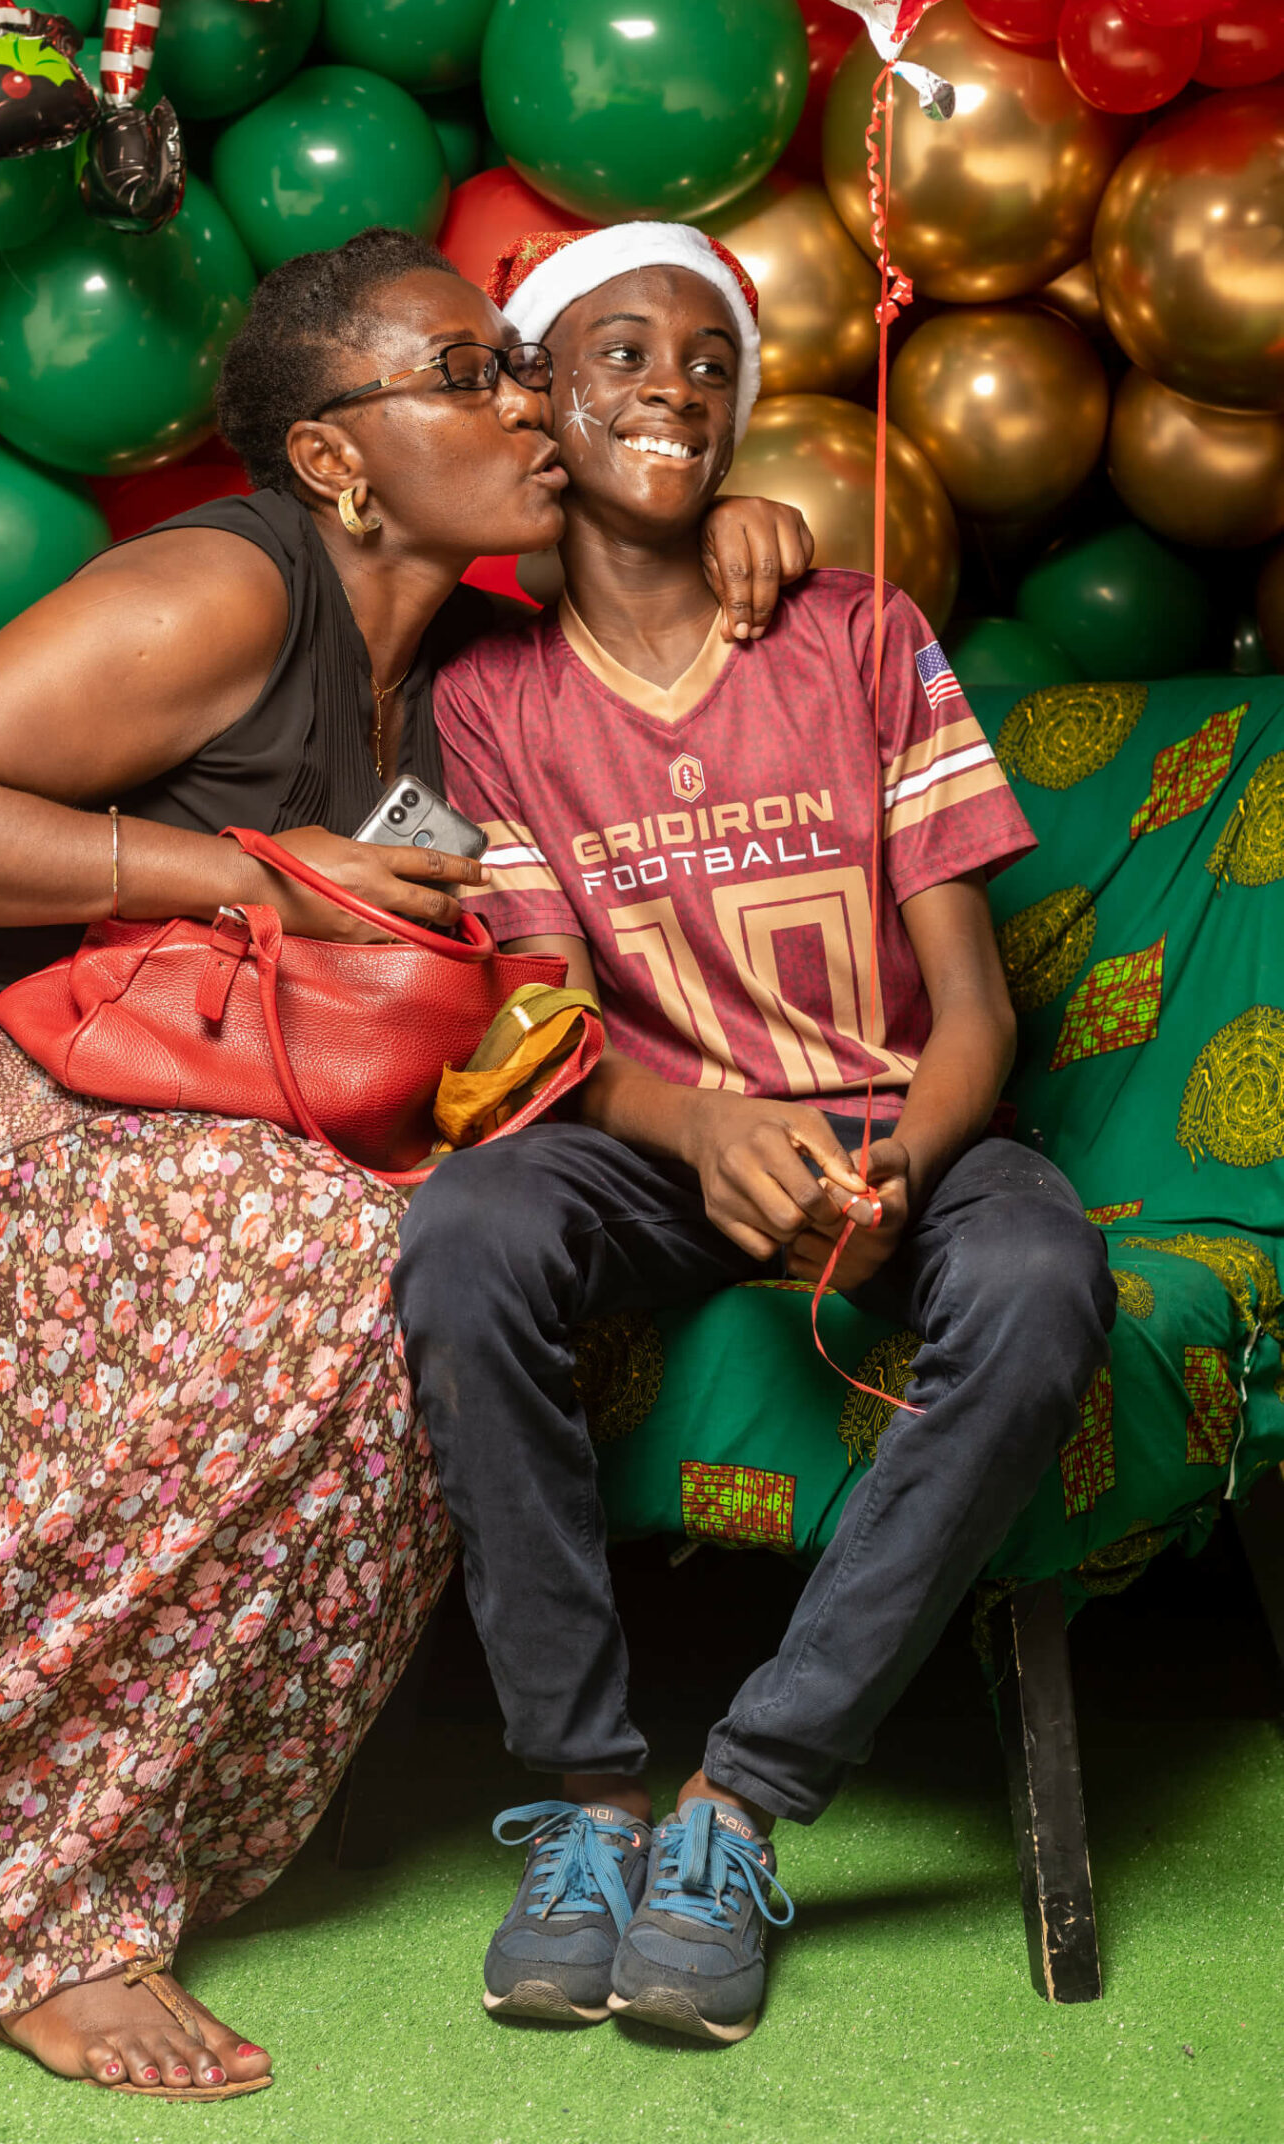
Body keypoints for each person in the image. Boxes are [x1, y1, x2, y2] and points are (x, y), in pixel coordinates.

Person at [0, 228, 808, 2095]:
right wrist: (255, 876)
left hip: (59, 1071)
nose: (528, 402)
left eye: (518, 366)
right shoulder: (225, 588)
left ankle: (37, 1828)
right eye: (469, 373)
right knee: (308, 1254)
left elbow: (671, 639)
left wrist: (740, 530)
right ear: (333, 457)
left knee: (396, 1250)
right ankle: (24, 1902)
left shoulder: (474, 663)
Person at [393, 220, 1117, 2047]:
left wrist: (899, 1172)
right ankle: (589, 1806)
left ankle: (741, 1804)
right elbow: (551, 1018)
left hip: (894, 1116)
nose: (675, 390)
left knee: (1043, 1274)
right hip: (652, 1141)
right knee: (468, 1233)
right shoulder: (487, 696)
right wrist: (705, 1125)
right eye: (624, 356)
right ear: (543, 402)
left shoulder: (860, 630)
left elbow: (977, 1010)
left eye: (710, 363)